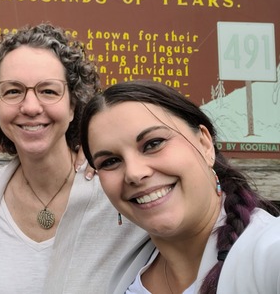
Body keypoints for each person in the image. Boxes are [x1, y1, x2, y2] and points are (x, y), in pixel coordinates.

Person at [0, 23, 145, 294]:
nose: (31, 107)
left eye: (48, 91)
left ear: (74, 105)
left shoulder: (115, 191)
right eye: (13, 91)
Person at [80, 79, 280, 294]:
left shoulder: (270, 251)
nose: (134, 173)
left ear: (204, 143)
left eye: (153, 144)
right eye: (110, 161)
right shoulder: (125, 273)